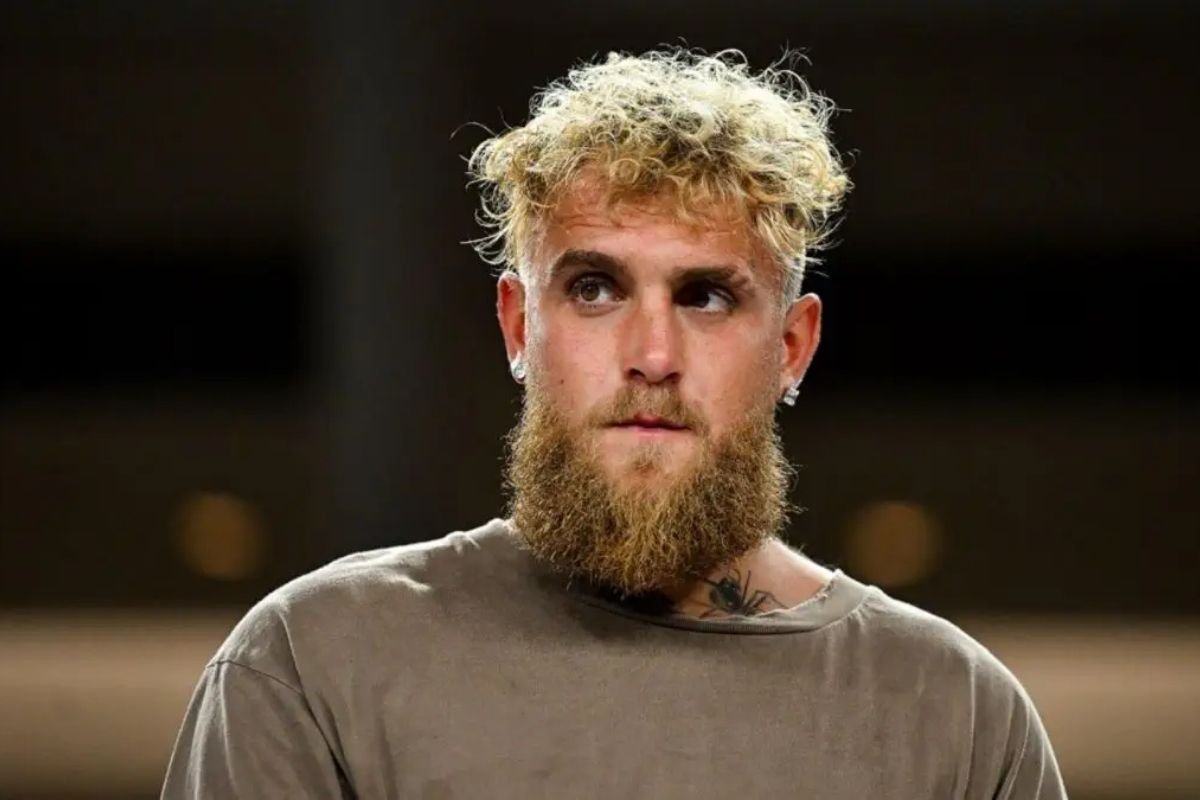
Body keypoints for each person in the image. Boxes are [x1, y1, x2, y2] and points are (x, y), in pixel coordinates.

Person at [162, 48, 1067, 798]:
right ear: (519, 326)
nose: (653, 355)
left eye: (706, 296)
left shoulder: (957, 720)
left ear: (792, 347)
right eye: (595, 289)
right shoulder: (317, 665)